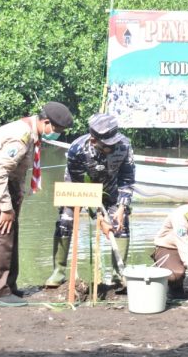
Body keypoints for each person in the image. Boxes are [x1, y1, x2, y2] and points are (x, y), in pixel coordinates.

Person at [0, 101, 73, 305]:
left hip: (2, 182)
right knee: (1, 233)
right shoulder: (21, 136)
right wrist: (6, 207)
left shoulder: (30, 132)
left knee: (10, 233)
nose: (57, 133)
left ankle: (8, 287)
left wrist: (17, 196)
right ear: (46, 122)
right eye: (57, 130)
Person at [45, 113, 135, 288]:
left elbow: (127, 179)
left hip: (111, 190)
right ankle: (59, 272)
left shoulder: (124, 145)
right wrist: (99, 217)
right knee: (65, 220)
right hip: (79, 188)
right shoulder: (77, 150)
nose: (113, 146)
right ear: (94, 141)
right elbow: (82, 187)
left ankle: (119, 275)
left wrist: (122, 207)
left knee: (120, 221)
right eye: (108, 145)